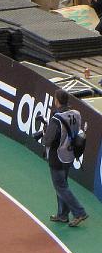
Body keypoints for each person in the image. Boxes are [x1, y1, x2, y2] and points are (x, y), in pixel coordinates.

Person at [41, 89, 88, 227]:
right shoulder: (76, 114)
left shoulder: (56, 119)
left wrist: (44, 136)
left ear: (57, 101)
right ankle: (62, 214)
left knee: (60, 186)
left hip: (57, 156)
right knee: (62, 184)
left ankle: (79, 212)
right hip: (69, 154)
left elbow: (49, 140)